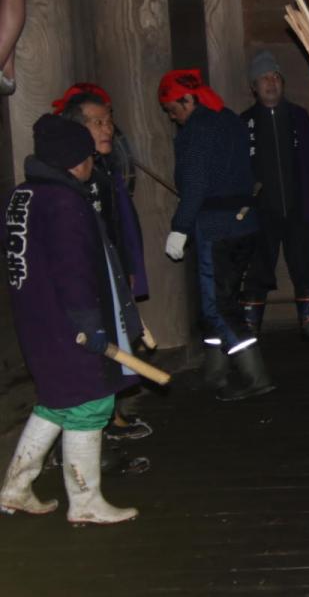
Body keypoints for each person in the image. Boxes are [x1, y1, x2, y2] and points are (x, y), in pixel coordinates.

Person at [0, 114, 138, 524]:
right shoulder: (64, 202)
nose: (91, 163)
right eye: (87, 157)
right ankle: (86, 502)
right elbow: (72, 269)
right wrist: (90, 325)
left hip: (35, 320)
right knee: (91, 401)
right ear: (72, 160)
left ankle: (15, 487)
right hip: (68, 326)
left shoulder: (19, 197)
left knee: (57, 402)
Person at [158, 69, 273, 402]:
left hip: (217, 228)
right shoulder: (230, 121)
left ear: (188, 99)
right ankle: (215, 371)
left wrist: (179, 228)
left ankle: (256, 375)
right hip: (245, 224)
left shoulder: (197, 131)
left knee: (218, 305)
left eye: (173, 108)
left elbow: (194, 187)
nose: (172, 116)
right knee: (223, 299)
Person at [57, 85, 153, 444]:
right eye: (97, 122)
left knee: (117, 340)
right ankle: (86, 427)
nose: (107, 128)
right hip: (86, 281)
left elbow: (116, 227)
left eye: (108, 121)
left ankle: (110, 414)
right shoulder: (69, 182)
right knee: (93, 349)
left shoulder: (104, 173)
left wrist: (127, 267)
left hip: (109, 275)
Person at [239, 50, 309, 344]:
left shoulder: (299, 116)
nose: (271, 82)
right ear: (253, 87)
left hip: (297, 207)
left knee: (303, 265)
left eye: (275, 77)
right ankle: (250, 328)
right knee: (257, 268)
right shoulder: (244, 123)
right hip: (261, 212)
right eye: (263, 78)